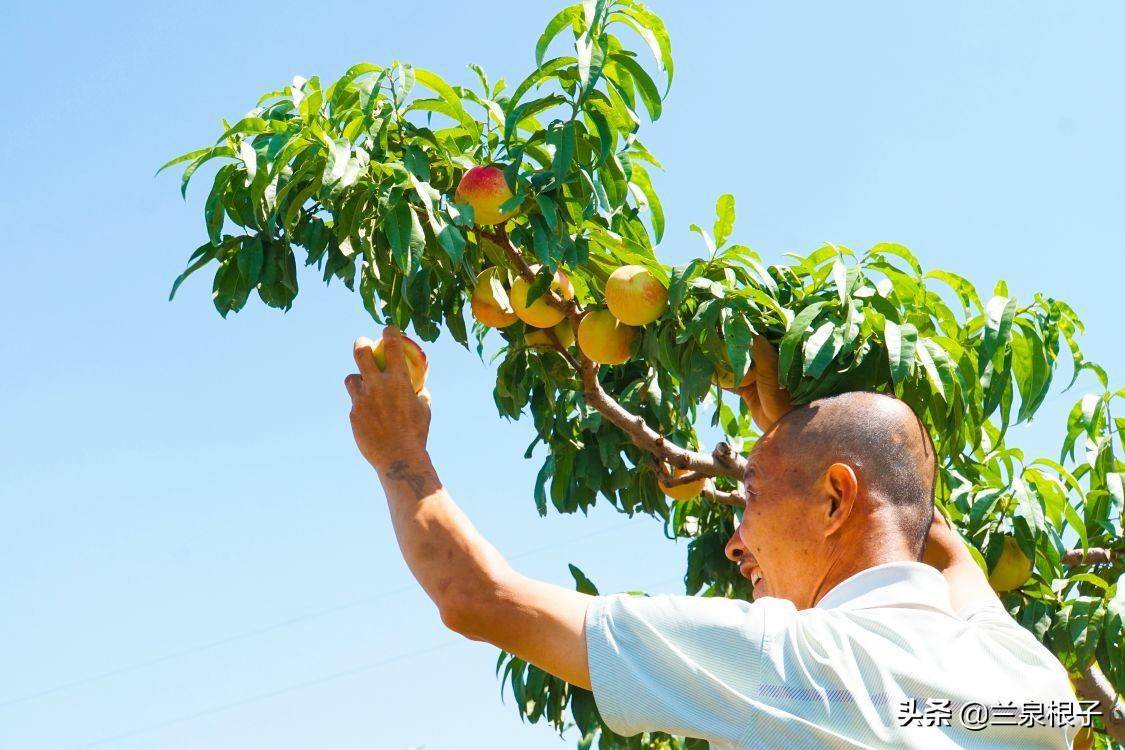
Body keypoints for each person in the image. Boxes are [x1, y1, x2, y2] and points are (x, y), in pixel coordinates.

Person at [344, 327, 1079, 748]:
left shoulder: (785, 663)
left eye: (750, 496)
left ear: (834, 501)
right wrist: (805, 438)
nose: (734, 542)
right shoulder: (1024, 673)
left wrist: (399, 455)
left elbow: (480, 598)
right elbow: (929, 530)